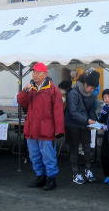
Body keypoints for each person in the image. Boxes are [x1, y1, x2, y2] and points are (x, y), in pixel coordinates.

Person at [17, 62, 64, 191]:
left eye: (38, 72)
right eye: (34, 72)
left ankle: (51, 179)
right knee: (34, 156)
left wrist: (59, 130)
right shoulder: (30, 88)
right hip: (32, 129)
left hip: (46, 130)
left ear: (45, 74)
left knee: (48, 156)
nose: (35, 74)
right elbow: (21, 102)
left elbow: (58, 111)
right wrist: (24, 91)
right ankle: (40, 177)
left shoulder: (53, 90)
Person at [65, 68, 100, 184]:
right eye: (91, 87)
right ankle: (75, 173)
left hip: (85, 125)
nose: (92, 90)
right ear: (85, 83)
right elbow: (73, 112)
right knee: (74, 149)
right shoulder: (73, 93)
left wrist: (93, 121)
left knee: (87, 149)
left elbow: (91, 109)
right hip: (73, 125)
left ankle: (88, 170)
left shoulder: (91, 94)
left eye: (94, 88)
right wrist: (87, 120)